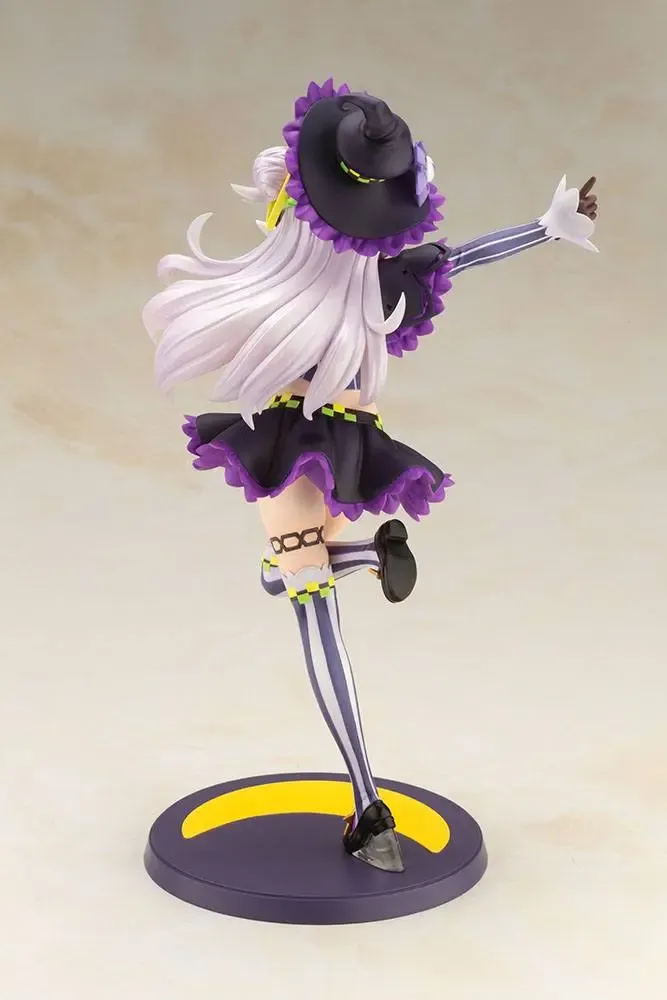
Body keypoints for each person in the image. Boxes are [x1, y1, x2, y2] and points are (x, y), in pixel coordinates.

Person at [142, 78, 599, 873]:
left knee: (308, 602)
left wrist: (544, 226)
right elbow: (458, 256)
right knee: (285, 573)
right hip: (352, 444)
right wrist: (545, 227)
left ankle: (367, 809)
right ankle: (364, 554)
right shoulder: (373, 283)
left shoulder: (280, 287)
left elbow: (441, 255)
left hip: (291, 441)